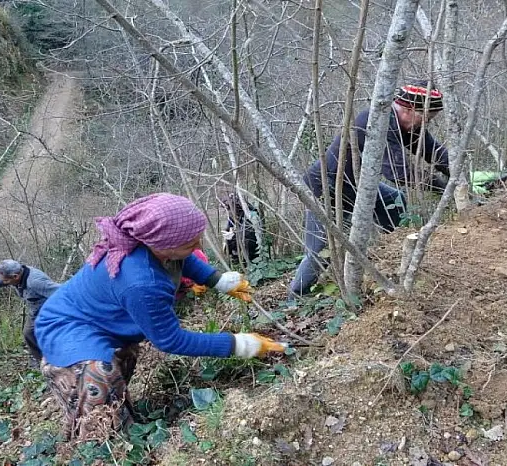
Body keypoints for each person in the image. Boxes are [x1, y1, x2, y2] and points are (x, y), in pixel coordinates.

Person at [33, 193, 287, 441]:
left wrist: (217, 281)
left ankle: (116, 415)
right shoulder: (141, 281)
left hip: (99, 319)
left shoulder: (152, 244)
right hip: (65, 328)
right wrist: (239, 344)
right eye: (191, 243)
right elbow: (170, 340)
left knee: (121, 363)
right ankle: (104, 444)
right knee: (100, 375)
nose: (198, 246)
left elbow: (182, 259)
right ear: (164, 244)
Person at [289, 80, 450, 297]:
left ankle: (393, 253)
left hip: (356, 186)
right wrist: (442, 188)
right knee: (320, 251)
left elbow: (433, 151)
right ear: (410, 109)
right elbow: (400, 173)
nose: (426, 124)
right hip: (325, 187)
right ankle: (296, 296)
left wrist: (458, 176)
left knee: (395, 201)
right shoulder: (379, 121)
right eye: (427, 117)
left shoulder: (408, 124)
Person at [221, 193, 262, 265]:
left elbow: (250, 234)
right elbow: (228, 228)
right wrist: (226, 240)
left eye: (229, 208)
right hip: (240, 244)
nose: (228, 211)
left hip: (253, 247)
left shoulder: (250, 214)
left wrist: (233, 236)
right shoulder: (233, 215)